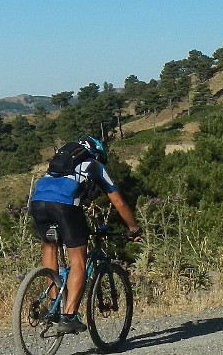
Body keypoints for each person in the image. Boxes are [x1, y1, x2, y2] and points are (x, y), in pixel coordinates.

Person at [28, 136, 141, 334]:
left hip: (37, 203)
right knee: (78, 260)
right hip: (64, 206)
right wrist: (134, 228)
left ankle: (55, 303)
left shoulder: (57, 165)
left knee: (49, 246)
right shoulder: (94, 166)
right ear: (96, 153)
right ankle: (69, 315)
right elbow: (120, 203)